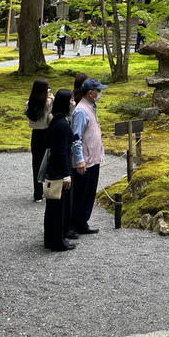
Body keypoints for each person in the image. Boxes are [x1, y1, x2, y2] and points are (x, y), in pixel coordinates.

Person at [70, 77, 107, 235]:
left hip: (93, 159)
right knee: (79, 194)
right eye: (97, 91)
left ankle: (82, 222)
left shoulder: (91, 107)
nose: (99, 93)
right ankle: (72, 225)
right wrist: (79, 160)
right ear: (90, 93)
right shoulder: (81, 110)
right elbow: (76, 138)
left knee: (89, 194)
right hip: (84, 160)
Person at [43, 89, 75, 251]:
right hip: (59, 171)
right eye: (71, 100)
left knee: (52, 208)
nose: (73, 102)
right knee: (59, 208)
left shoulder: (55, 121)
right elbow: (61, 152)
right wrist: (66, 175)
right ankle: (58, 241)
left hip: (53, 168)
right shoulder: (62, 124)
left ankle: (50, 239)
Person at [25, 78, 53, 201]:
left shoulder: (29, 103)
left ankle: (38, 194)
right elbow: (50, 119)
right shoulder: (48, 103)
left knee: (36, 164)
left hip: (35, 134)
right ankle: (51, 190)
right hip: (47, 133)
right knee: (50, 162)